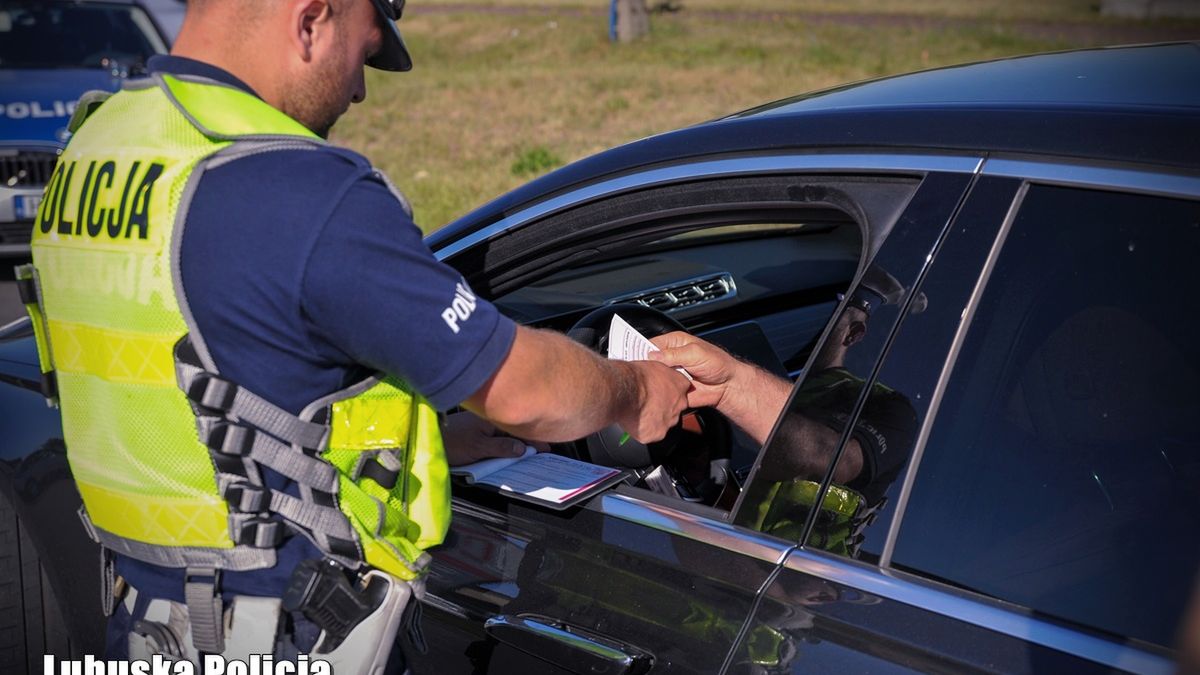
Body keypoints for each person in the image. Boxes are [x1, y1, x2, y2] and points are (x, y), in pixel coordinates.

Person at [19, 0, 689, 668]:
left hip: (141, 626)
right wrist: (633, 388)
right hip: (284, 634)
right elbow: (522, 388)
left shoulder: (95, 147)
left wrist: (433, 446)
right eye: (363, 54)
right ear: (310, 20)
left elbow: (191, 381)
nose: (361, 90)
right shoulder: (296, 188)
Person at [650, 273, 918, 554]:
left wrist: (731, 388)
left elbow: (825, 458)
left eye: (833, 308)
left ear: (853, 333)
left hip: (798, 580)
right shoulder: (781, 378)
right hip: (717, 553)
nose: (816, 318)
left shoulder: (887, 406)